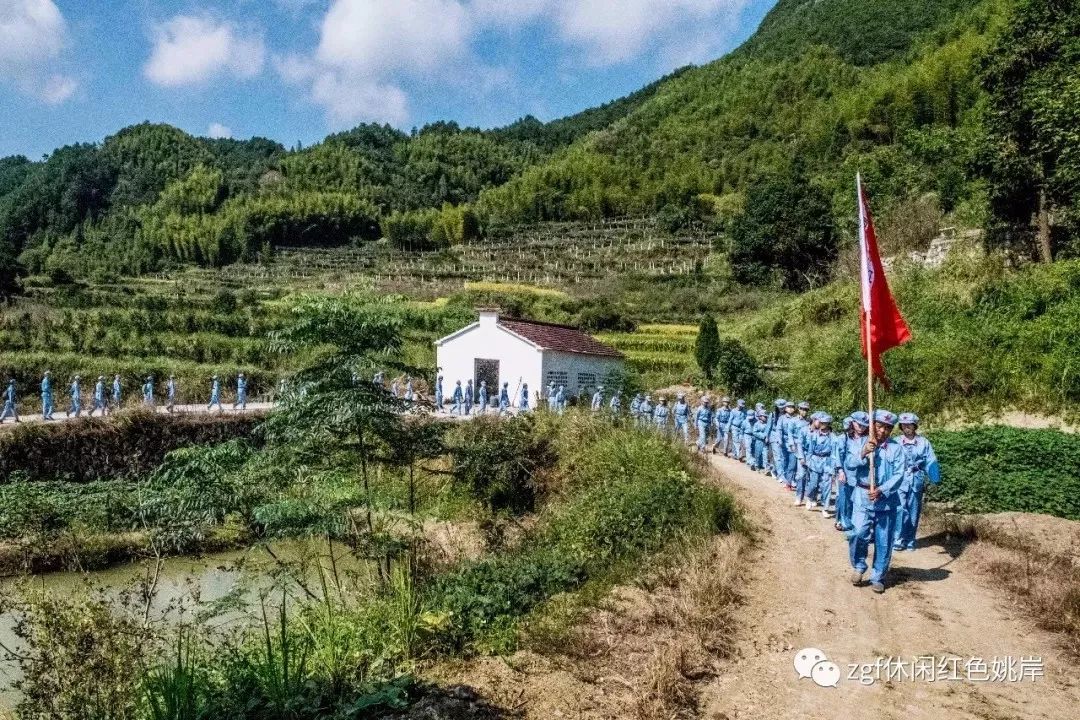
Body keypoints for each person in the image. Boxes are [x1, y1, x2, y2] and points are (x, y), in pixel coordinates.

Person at [848, 409, 907, 593]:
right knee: (858, 533)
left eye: (887, 428)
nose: (882, 431)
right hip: (862, 495)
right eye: (880, 426)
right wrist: (864, 452)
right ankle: (859, 566)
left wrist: (883, 489)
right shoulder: (859, 442)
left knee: (884, 539)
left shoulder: (896, 448)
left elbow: (899, 474)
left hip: (886, 500)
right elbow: (849, 464)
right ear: (873, 425)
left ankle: (878, 575)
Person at [893, 413, 940, 551]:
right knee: (900, 509)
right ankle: (898, 538)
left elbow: (931, 460)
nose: (907, 428)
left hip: (916, 479)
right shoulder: (895, 441)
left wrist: (935, 478)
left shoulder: (924, 442)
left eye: (910, 425)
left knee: (913, 511)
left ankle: (910, 539)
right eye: (904, 425)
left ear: (915, 426)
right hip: (899, 480)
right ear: (900, 426)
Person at [835, 412, 868, 532]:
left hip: (863, 476)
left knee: (859, 502)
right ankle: (845, 522)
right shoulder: (845, 437)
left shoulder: (868, 439)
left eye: (864, 425)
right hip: (847, 474)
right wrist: (840, 471)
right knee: (845, 500)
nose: (861, 427)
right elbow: (839, 455)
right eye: (858, 424)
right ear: (852, 423)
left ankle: (857, 525)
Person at [805, 414, 837, 514]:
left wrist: (833, 467)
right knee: (813, 484)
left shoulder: (833, 437)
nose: (822, 425)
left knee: (826, 486)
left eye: (825, 423)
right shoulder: (814, 435)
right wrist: (808, 461)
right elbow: (810, 449)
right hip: (815, 460)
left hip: (827, 461)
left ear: (828, 424)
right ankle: (810, 498)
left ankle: (825, 508)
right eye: (821, 422)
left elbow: (834, 453)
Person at [768, 399, 787, 483]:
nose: (781, 409)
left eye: (783, 407)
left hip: (783, 438)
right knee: (777, 457)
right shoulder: (772, 414)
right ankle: (780, 475)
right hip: (774, 436)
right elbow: (768, 426)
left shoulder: (787, 415)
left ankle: (773, 469)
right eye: (780, 407)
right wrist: (766, 436)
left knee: (782, 457)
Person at [750, 407, 770, 472]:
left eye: (766, 417)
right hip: (758, 441)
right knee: (758, 454)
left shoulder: (767, 424)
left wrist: (767, 437)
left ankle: (766, 468)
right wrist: (762, 436)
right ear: (760, 417)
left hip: (765, 442)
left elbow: (768, 432)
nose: (765, 418)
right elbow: (754, 432)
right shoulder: (756, 424)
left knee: (765, 455)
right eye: (764, 416)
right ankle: (756, 465)